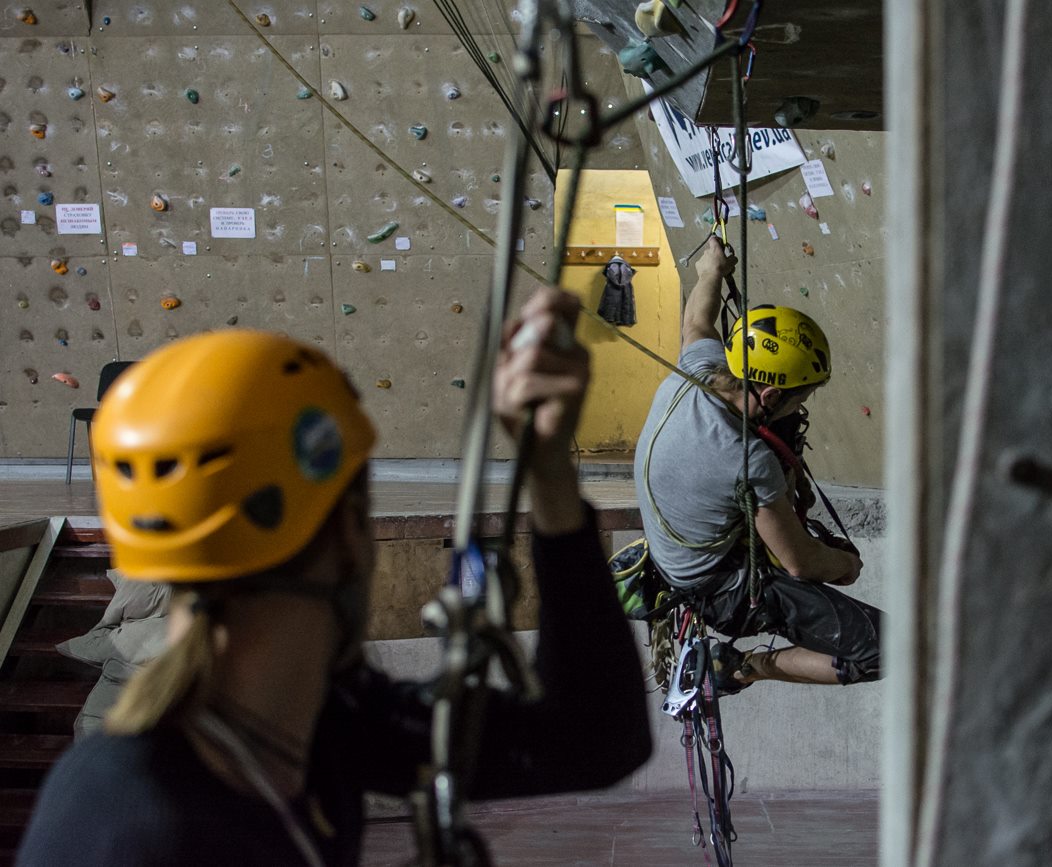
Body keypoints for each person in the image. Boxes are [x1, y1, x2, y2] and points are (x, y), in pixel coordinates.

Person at [18, 288, 652, 866]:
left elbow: (591, 740)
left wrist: (550, 475)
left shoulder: (313, 720)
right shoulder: (134, 827)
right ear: (347, 535)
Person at [634, 236, 882, 691]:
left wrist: (710, 269)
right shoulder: (744, 460)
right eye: (802, 395)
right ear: (769, 394)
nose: (803, 403)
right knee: (882, 652)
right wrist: (844, 564)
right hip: (718, 587)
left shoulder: (698, 370)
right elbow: (800, 563)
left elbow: (697, 321)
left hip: (677, 548)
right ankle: (744, 667)